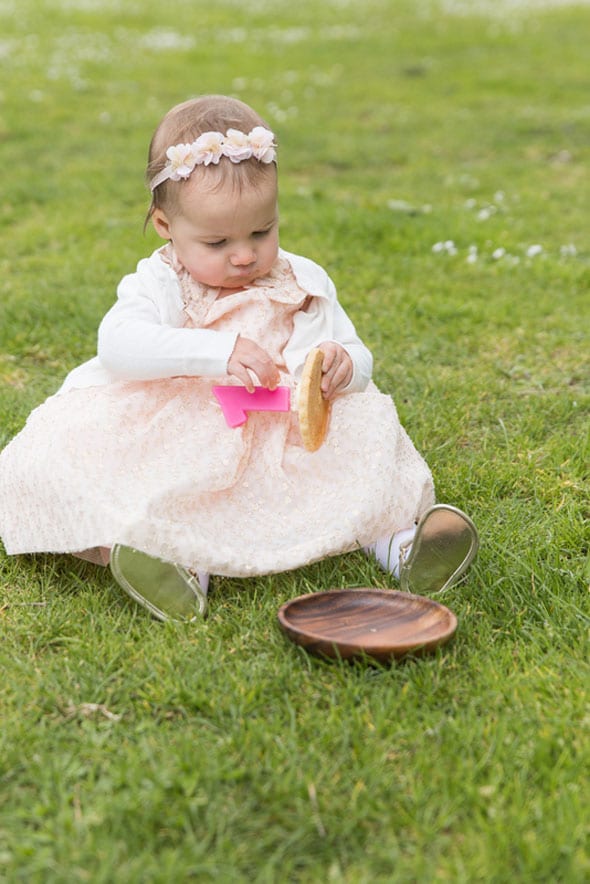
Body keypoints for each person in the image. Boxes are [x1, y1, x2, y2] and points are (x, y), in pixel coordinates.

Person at [0, 95, 478, 621]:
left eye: (262, 231)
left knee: (359, 455)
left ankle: (402, 547)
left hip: (285, 434)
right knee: (142, 478)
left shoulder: (301, 282)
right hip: (184, 430)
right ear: (165, 226)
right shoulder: (161, 281)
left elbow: (353, 351)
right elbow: (118, 345)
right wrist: (215, 350)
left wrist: (343, 362)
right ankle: (175, 566)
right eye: (217, 240)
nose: (245, 254)